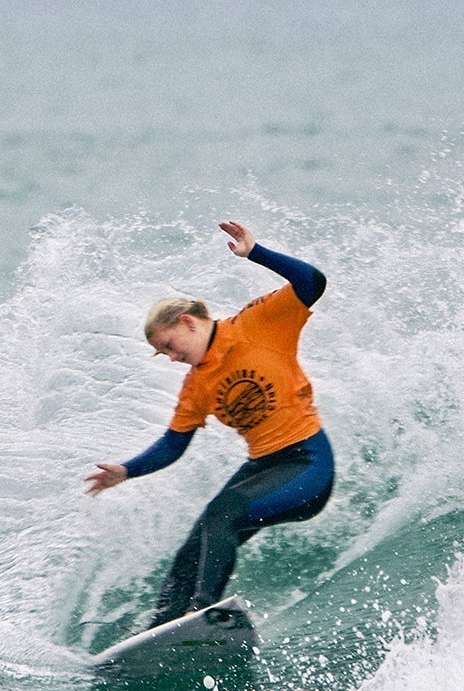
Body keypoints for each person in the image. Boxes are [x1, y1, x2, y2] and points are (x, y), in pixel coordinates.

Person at [84, 221, 334, 628]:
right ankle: (161, 631)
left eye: (168, 345)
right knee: (197, 542)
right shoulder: (196, 385)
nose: (169, 357)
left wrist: (256, 253)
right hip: (264, 467)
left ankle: (202, 615)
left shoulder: (258, 324)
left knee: (224, 514)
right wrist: (127, 470)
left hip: (307, 464)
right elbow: (172, 444)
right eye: (160, 353)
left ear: (188, 322)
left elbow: (312, 281)